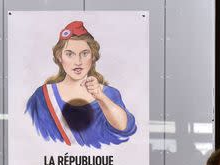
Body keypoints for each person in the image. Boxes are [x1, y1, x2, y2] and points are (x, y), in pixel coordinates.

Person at [25, 20, 137, 148]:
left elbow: (124, 127)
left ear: (93, 56)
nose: (78, 62)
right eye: (69, 54)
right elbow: (31, 138)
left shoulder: (109, 94)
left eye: (84, 53)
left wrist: (100, 97)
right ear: (59, 57)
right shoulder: (42, 96)